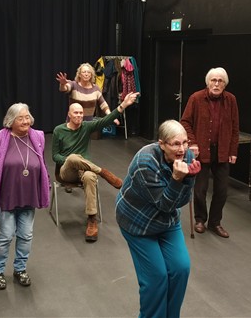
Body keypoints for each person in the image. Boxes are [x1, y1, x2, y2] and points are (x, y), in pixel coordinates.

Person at [116, 120, 201, 318]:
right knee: (156, 278)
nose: (182, 149)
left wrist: (189, 179)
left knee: (181, 269)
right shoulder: (145, 162)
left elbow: (182, 201)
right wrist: (177, 179)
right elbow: (164, 204)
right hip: (138, 222)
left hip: (166, 221)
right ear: (162, 144)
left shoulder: (186, 156)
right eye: (176, 144)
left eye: (185, 142)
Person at [0, 103, 50, 290]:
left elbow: (42, 163)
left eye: (27, 117)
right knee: (6, 236)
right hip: (7, 197)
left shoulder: (37, 137)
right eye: (21, 118)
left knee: (26, 235)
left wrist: (46, 183)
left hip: (29, 196)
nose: (26, 121)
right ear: (10, 121)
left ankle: (20, 269)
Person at [52, 91, 140, 242]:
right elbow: (55, 156)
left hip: (85, 170)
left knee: (90, 176)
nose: (79, 115)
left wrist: (124, 105)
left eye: (81, 113)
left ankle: (92, 219)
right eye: (76, 113)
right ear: (69, 114)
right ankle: (103, 172)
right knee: (73, 157)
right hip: (66, 171)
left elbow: (106, 120)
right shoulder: (59, 130)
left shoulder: (86, 127)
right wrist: (69, 160)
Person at [180, 67, 239, 238]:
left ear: (225, 84)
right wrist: (192, 143)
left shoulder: (231, 100)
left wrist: (233, 151)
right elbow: (185, 122)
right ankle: (200, 220)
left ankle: (215, 223)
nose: (216, 84)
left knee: (222, 191)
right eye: (213, 80)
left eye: (220, 81)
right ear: (208, 82)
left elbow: (235, 127)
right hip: (201, 150)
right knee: (200, 189)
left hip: (222, 151)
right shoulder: (196, 98)